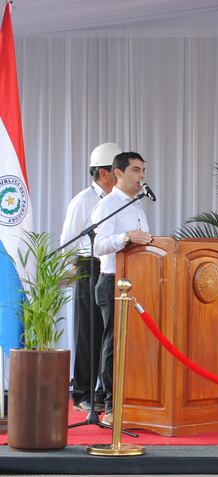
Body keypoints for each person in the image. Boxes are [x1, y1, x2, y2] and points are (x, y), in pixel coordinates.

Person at [92, 151, 153, 424]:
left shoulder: (137, 204)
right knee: (114, 344)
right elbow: (98, 246)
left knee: (134, 345)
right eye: (136, 170)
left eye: (143, 171)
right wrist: (127, 236)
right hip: (113, 282)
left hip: (138, 282)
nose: (142, 176)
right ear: (118, 173)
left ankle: (134, 402)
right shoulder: (108, 205)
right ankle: (111, 407)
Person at [60, 142, 121, 412]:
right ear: (104, 173)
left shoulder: (118, 200)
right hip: (89, 266)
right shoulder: (83, 200)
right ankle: (82, 392)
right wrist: (75, 270)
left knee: (108, 333)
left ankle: (103, 391)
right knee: (88, 331)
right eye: (117, 171)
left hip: (113, 267)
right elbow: (67, 240)